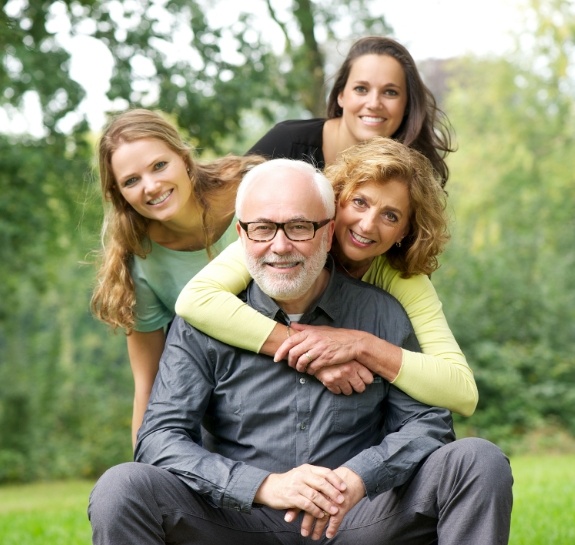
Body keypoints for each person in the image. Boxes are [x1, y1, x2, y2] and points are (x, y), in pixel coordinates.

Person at [88, 159, 513, 544]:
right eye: (263, 228)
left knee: (477, 460)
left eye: (299, 227)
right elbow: (160, 437)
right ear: (242, 234)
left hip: (358, 521)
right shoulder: (204, 321)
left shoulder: (384, 310)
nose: (280, 245)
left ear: (328, 232)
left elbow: (427, 426)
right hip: (238, 521)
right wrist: (262, 486)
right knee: (122, 486)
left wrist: (358, 478)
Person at [176, 137, 478, 415]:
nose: (368, 225)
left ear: (404, 231)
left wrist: (361, 345)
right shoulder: (288, 240)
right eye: (360, 202)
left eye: (391, 216)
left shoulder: (402, 277)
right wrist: (311, 352)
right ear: (336, 199)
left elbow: (462, 392)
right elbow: (195, 299)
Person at [90, 108, 264, 445]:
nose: (151, 186)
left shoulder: (251, 189)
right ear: (118, 194)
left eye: (159, 166)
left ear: (184, 159)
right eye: (131, 180)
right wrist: (144, 471)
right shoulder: (140, 262)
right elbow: (150, 383)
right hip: (229, 400)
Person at [247, 35, 453, 186]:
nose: (374, 103)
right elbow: (220, 200)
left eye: (390, 92)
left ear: (407, 105)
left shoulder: (412, 174)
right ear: (341, 95)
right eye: (361, 89)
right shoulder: (288, 142)